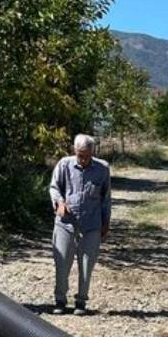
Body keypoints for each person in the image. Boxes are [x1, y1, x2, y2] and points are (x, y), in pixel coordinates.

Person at [49, 134, 111, 316]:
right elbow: (54, 187)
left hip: (91, 224)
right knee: (62, 262)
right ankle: (60, 300)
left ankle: (81, 301)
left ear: (93, 152)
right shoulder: (64, 165)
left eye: (86, 155)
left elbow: (106, 198)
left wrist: (106, 222)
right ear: (74, 151)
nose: (82, 159)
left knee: (86, 265)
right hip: (66, 223)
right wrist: (59, 203)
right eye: (79, 154)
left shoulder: (103, 169)